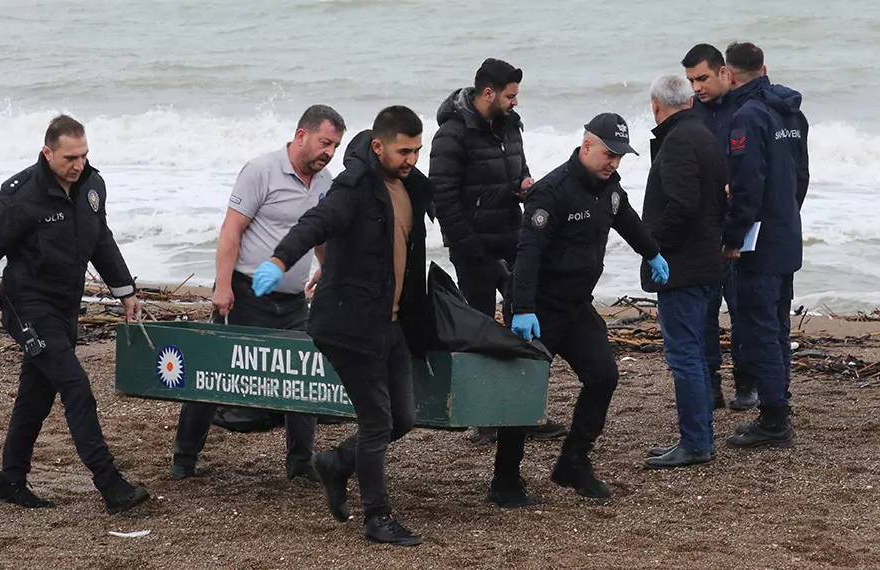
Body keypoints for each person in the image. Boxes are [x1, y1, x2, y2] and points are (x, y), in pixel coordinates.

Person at [0, 115, 149, 514]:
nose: (79, 165)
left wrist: (125, 291)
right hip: (28, 306)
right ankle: (110, 484)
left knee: (36, 397)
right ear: (47, 152)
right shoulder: (20, 197)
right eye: (71, 157)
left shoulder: (92, 185)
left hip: (64, 306)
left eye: (85, 155)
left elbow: (101, 240)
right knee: (75, 385)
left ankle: (11, 482)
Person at [250, 106, 432, 546]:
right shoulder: (355, 186)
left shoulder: (413, 187)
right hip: (349, 324)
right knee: (376, 421)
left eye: (417, 150)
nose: (410, 158)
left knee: (402, 418)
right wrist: (279, 260)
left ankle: (334, 463)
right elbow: (316, 223)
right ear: (378, 146)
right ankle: (377, 516)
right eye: (403, 150)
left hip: (391, 323)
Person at [170, 105, 347, 482]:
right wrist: (221, 285)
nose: (329, 152)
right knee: (212, 375)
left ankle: (300, 463)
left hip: (293, 299)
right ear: (302, 135)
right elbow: (231, 230)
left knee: (303, 376)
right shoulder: (261, 171)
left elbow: (321, 235)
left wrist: (327, 270)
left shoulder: (325, 181)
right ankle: (184, 458)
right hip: (246, 293)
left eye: (335, 146)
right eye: (325, 142)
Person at [504, 113, 669, 503]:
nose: (614, 162)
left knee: (603, 376)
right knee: (523, 394)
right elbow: (528, 253)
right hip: (538, 309)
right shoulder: (552, 192)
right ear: (587, 145)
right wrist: (523, 308)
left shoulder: (608, 187)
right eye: (609, 153)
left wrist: (653, 253)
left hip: (576, 306)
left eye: (620, 156)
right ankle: (505, 479)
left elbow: (627, 220)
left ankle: (573, 462)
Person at [429, 58, 567, 446]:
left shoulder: (510, 126)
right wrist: (474, 251)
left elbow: (515, 169)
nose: (515, 103)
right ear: (487, 93)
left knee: (525, 316)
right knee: (477, 330)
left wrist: (523, 185)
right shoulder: (451, 136)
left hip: (512, 239)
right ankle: (483, 419)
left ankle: (522, 410)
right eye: (510, 96)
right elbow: (443, 201)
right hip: (472, 250)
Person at [719, 42, 808, 449]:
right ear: (764, 69)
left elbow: (746, 184)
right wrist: (785, 215)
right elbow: (801, 177)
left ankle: (773, 418)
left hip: (759, 241)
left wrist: (733, 237)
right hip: (787, 233)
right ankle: (779, 404)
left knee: (760, 328)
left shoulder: (748, 115)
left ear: (729, 74)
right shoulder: (791, 112)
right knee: (778, 324)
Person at [640, 75, 728, 469]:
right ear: (689, 103)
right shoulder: (705, 135)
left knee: (684, 355)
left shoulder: (677, 141)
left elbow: (682, 204)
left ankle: (695, 442)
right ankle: (698, 437)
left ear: (657, 106)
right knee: (691, 351)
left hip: (684, 266)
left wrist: (653, 246)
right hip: (707, 260)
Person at [681, 43, 754, 411]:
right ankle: (710, 385)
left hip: (738, 226)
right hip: (702, 229)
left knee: (742, 310)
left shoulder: (744, 110)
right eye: (691, 80)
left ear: (724, 73)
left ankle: (746, 383)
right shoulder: (690, 114)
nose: (696, 87)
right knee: (704, 313)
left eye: (703, 78)